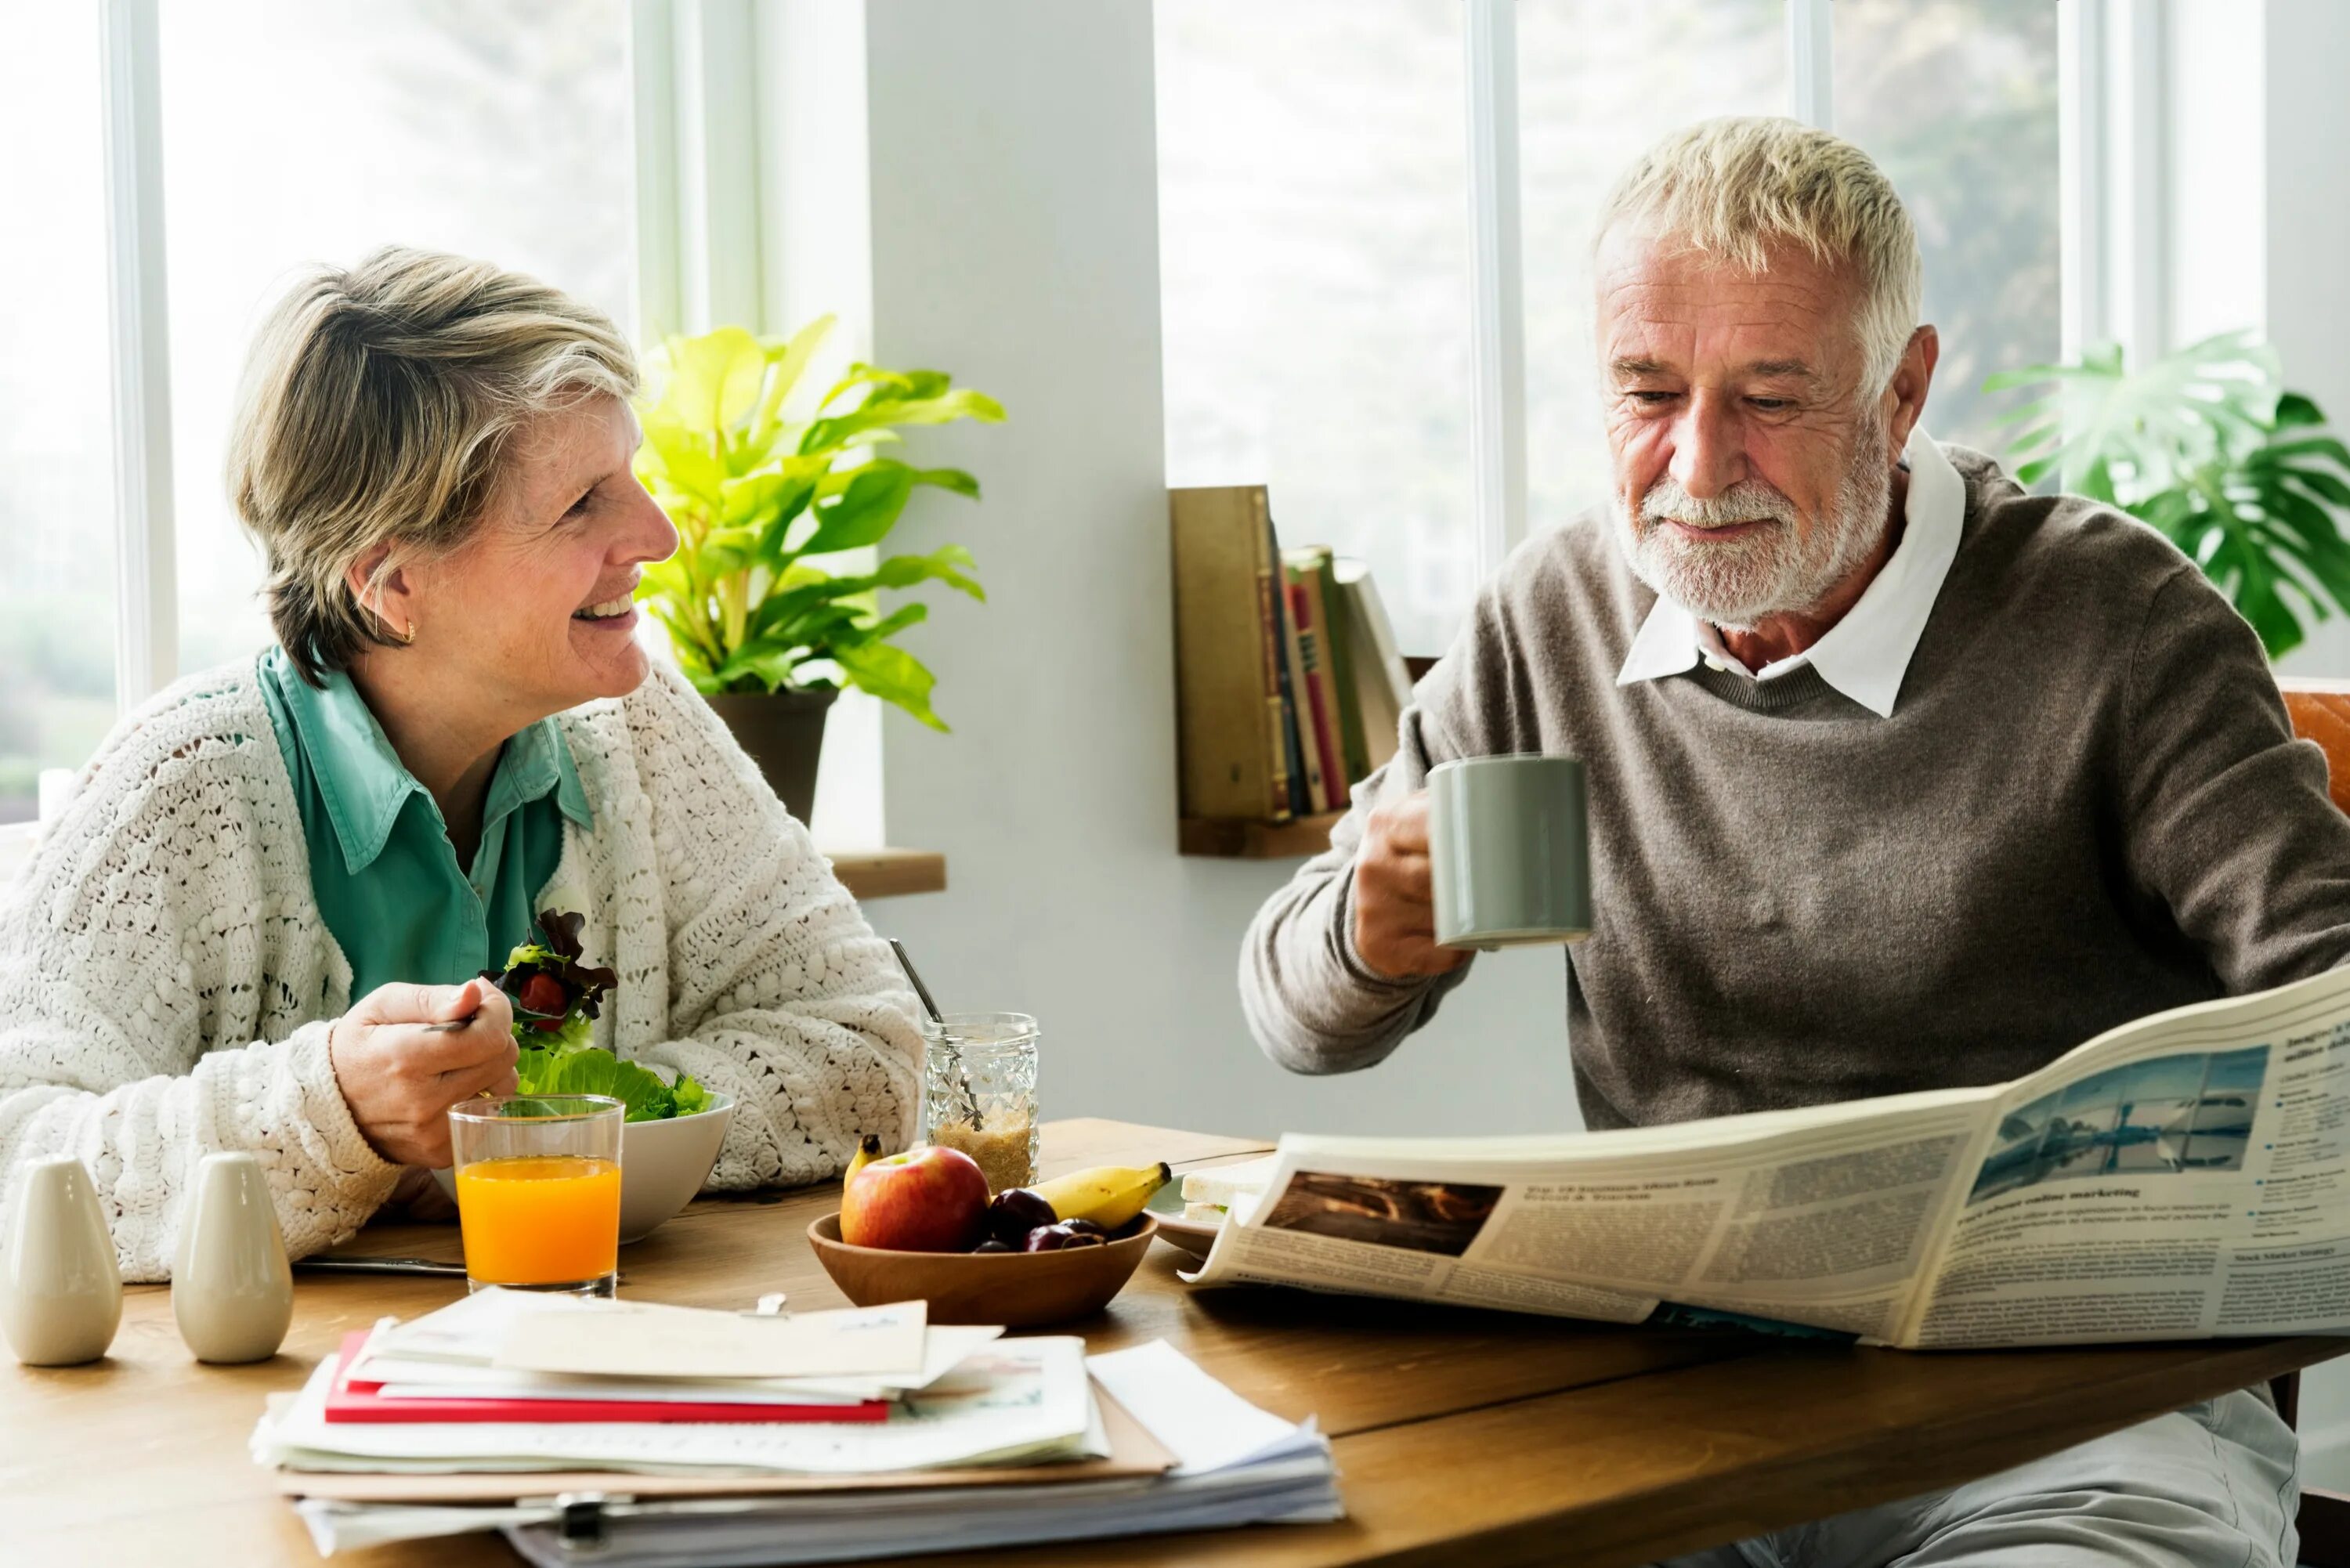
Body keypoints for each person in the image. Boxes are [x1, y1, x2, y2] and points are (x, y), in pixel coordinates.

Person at [1242, 117, 2341, 1567]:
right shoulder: (1553, 615)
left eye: (1769, 397)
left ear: (1901, 393)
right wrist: (1370, 935)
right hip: (1676, 1400)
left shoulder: (2117, 620)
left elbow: (2329, 1002)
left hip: (2072, 1420)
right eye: (1646, 392)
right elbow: (1293, 1018)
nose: (1698, 465)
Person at [0, 247, 923, 1279]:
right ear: (394, 583)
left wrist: (545, 1125)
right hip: (260, 1415)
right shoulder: (177, 787)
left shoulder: (645, 733)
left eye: (634, 478)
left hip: (604, 1358)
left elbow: (873, 1050)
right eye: (583, 503)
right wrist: (332, 1110)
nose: (657, 534)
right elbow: (16, 1158)